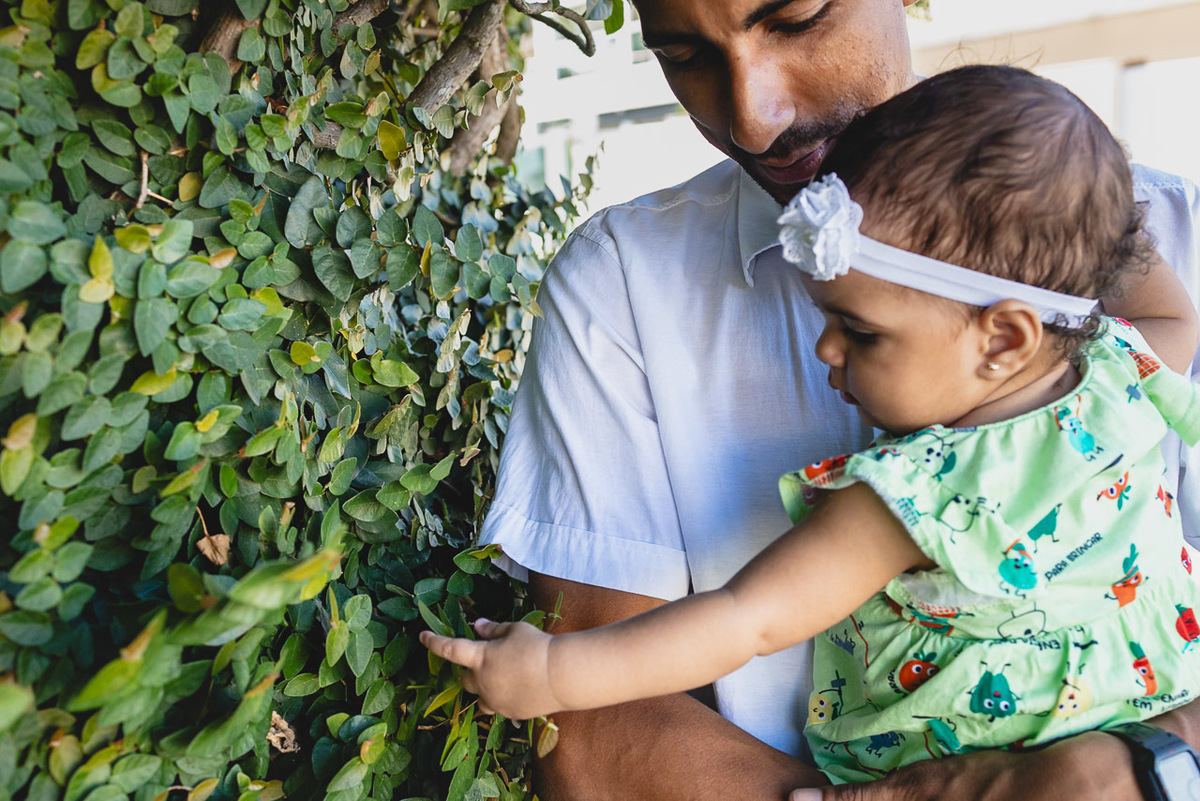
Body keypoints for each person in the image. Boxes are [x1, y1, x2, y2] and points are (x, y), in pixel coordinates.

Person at [477, 1, 1200, 798]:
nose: (754, 121)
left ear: (1005, 339)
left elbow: (746, 618)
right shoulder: (1117, 375)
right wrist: (1067, 206)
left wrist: (548, 671)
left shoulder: (911, 495)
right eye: (684, 55)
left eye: (797, 19)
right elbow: (1173, 318)